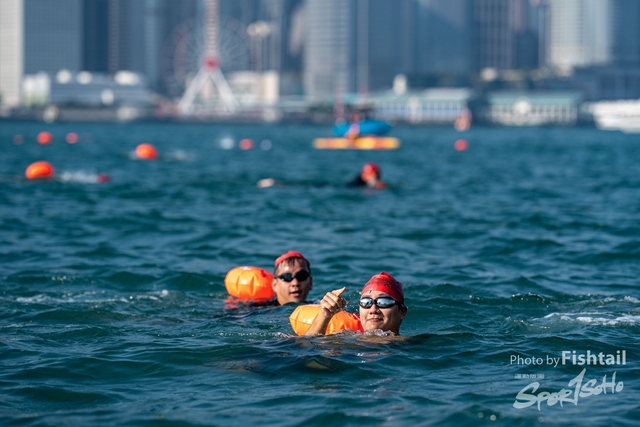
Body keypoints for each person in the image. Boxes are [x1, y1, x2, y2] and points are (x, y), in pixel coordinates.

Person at [305, 272, 407, 335]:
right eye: (366, 302)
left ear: (402, 312)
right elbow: (306, 349)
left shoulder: (409, 346)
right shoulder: (345, 338)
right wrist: (324, 316)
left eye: (383, 302)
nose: (373, 310)